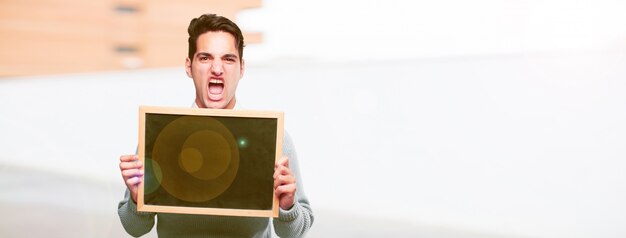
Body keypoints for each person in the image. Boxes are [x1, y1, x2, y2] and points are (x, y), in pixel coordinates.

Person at [117, 13, 314, 237]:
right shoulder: (161, 134)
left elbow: (295, 232)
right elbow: (134, 228)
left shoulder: (274, 138)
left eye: (228, 59)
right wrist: (136, 197)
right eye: (205, 58)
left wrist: (288, 206)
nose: (217, 69)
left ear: (241, 68)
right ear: (189, 67)